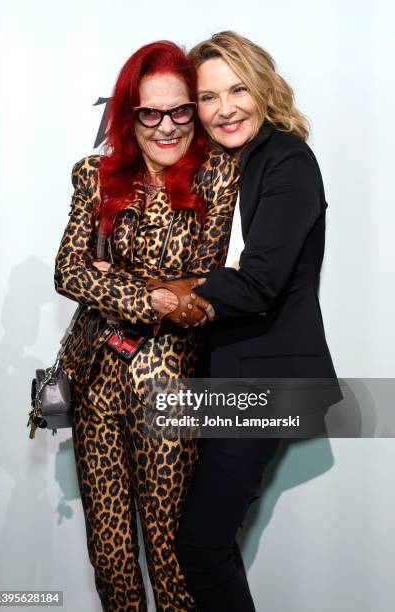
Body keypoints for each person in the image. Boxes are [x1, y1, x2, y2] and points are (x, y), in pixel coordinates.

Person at [148, 31, 341, 611]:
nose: (225, 108)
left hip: (267, 379)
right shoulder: (231, 165)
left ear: (263, 88)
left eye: (238, 89)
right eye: (208, 97)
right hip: (231, 373)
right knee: (204, 544)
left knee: (201, 548)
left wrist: (158, 294)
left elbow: (258, 282)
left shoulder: (286, 158)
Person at [54, 40, 239, 611]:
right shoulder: (96, 175)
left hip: (170, 382)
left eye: (181, 110)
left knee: (167, 549)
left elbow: (204, 283)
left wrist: (117, 281)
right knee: (108, 552)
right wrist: (155, 296)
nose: (166, 127)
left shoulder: (218, 176)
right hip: (94, 377)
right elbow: (68, 271)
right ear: (128, 111)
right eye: (150, 113)